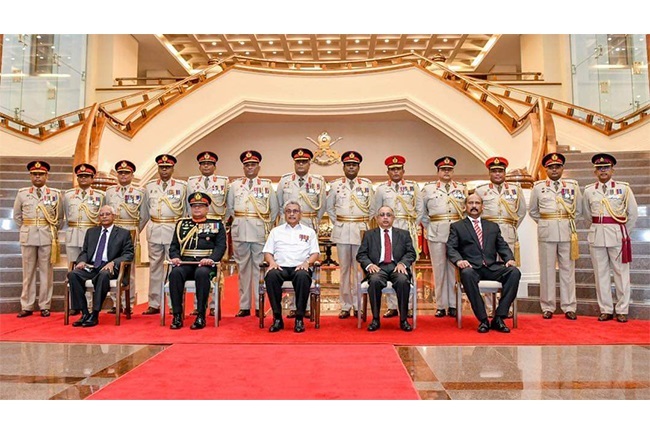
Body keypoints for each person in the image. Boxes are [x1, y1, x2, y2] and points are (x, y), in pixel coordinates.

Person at [446, 193, 521, 333]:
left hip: (491, 267)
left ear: (482, 206)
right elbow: (451, 248)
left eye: (477, 203)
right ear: (465, 207)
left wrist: (509, 259)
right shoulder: (457, 226)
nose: (474, 206)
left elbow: (502, 246)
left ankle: (499, 317)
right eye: (470, 203)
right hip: (471, 268)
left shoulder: (492, 226)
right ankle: (483, 320)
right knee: (467, 274)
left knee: (514, 272)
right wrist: (459, 261)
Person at [583, 153, 638, 323]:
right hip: (597, 235)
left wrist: (622, 231)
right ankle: (605, 309)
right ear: (595, 172)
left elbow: (632, 214)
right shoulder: (589, 191)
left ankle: (622, 309)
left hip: (617, 236)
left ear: (612, 170)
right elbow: (586, 216)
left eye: (606, 168)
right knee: (601, 274)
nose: (603, 171)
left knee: (621, 273)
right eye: (599, 169)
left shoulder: (624, 189)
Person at [529, 152, 582, 320]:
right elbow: (533, 211)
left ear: (562, 168)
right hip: (547, 232)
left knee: (568, 270)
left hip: (567, 232)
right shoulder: (538, 187)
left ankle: (569, 306)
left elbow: (578, 210)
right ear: (546, 169)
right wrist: (547, 223)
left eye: (557, 167)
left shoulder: (573, 186)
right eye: (550, 167)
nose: (554, 170)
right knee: (547, 270)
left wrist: (565, 223)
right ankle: (548, 306)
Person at [226, 150, 278, 318]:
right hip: (240, 231)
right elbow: (230, 208)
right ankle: (244, 305)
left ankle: (258, 304)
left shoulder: (266, 186)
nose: (250, 168)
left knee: (258, 269)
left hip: (258, 231)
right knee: (242, 270)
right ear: (243, 167)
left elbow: (274, 209)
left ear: (258, 167)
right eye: (247, 165)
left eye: (253, 165)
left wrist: (266, 227)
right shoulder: (234, 186)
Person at [369, 155, 422, 319]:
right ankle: (392, 306)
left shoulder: (413, 187)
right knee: (387, 264)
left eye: (398, 168)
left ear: (403, 170)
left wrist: (411, 227)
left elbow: (419, 210)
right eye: (392, 169)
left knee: (406, 267)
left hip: (406, 229)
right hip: (387, 230)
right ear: (388, 172)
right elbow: (375, 210)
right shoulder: (381, 189)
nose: (395, 171)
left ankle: (407, 305)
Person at [276, 148, 326, 319]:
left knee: (305, 264)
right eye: (298, 161)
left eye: (304, 161)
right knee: (289, 261)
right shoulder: (285, 181)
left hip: (309, 224)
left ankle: (303, 306)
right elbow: (278, 204)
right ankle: (293, 306)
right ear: (294, 163)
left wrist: (313, 223)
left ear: (309, 163)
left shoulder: (318, 181)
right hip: (288, 225)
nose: (301, 164)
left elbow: (322, 206)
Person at [474, 157, 526, 316]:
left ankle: (506, 307)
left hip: (508, 233)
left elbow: (521, 212)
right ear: (489, 173)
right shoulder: (481, 190)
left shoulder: (515, 190)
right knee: (488, 268)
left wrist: (510, 227)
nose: (497, 174)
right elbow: (475, 211)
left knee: (508, 269)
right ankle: (490, 307)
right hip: (488, 235)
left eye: (500, 171)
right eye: (494, 171)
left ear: (505, 173)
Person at [67, 205, 134, 327]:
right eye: (101, 215)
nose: (104, 217)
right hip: (92, 267)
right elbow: (85, 251)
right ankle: (85, 312)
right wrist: (81, 260)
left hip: (110, 268)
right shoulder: (91, 232)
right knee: (73, 274)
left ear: (113, 216)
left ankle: (95, 314)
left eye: (107, 214)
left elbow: (128, 254)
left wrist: (114, 262)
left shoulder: (123, 233)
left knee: (103, 275)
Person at [326, 151, 374, 319]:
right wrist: (339, 222)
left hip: (361, 231)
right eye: (348, 165)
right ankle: (346, 305)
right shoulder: (335, 186)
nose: (351, 167)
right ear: (344, 167)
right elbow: (329, 208)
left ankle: (359, 304)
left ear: (358, 167)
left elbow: (373, 209)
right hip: (342, 231)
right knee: (345, 269)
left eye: (354, 164)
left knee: (360, 269)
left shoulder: (367, 186)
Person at [168, 192, 226, 330]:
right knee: (175, 274)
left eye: (201, 206)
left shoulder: (216, 224)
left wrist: (211, 259)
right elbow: (174, 246)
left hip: (206, 264)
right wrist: (175, 257)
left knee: (202, 274)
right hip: (186, 262)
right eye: (194, 206)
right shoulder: (182, 224)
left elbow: (221, 246)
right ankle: (177, 315)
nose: (197, 209)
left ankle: (200, 315)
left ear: (207, 208)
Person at [13, 160, 63, 318]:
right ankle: (27, 305)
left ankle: (44, 305)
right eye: (34, 174)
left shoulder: (54, 194)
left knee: (46, 272)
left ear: (47, 175)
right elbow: (17, 216)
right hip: (28, 236)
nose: (37, 177)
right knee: (28, 273)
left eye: (41, 174)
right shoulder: (22, 194)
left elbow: (59, 218)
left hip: (46, 236)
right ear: (30, 176)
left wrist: (50, 230)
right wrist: (27, 228)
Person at [262, 201, 321, 333]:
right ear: (284, 214)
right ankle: (277, 318)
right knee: (271, 276)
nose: (292, 214)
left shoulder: (309, 232)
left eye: (295, 211)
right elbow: (267, 252)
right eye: (288, 211)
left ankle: (299, 318)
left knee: (302, 277)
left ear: (301, 214)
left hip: (300, 267)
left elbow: (315, 253)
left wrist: (307, 263)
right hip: (280, 267)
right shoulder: (276, 231)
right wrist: (271, 262)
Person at [356, 206, 416, 332]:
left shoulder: (403, 234)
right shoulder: (369, 235)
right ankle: (376, 319)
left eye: (388, 215)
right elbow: (361, 255)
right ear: (377, 218)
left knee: (402, 281)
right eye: (382, 215)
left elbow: (411, 253)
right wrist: (369, 265)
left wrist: (403, 264)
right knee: (375, 281)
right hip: (378, 268)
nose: (385, 217)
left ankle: (403, 320)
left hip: (397, 267)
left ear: (393, 218)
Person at [420, 156, 467, 318]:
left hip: (456, 234)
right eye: (443, 169)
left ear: (453, 171)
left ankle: (453, 304)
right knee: (439, 270)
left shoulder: (461, 188)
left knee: (454, 270)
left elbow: (465, 212)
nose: (446, 172)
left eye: (449, 169)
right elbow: (423, 213)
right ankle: (441, 305)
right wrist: (431, 227)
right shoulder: (428, 189)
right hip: (437, 232)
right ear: (438, 172)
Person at [186, 151, 229, 317]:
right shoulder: (191, 182)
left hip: (215, 226)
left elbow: (229, 206)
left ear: (214, 166)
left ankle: (213, 305)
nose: (206, 166)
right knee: (197, 263)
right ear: (199, 166)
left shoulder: (224, 182)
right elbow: (187, 206)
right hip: (196, 225)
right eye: (203, 164)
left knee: (215, 266)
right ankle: (199, 305)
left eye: (209, 164)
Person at [143, 154, 187, 315]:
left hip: (173, 229)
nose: (164, 170)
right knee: (155, 267)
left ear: (173, 168)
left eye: (167, 167)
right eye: (162, 167)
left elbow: (186, 212)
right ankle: (154, 303)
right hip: (154, 228)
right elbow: (145, 211)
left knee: (174, 266)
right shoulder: (150, 187)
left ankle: (172, 303)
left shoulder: (182, 186)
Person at [104, 160, 148, 315]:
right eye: (120, 173)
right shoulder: (109, 192)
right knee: (112, 266)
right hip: (113, 233)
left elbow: (144, 215)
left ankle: (128, 302)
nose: (123, 175)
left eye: (126, 173)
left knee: (130, 270)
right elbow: (104, 213)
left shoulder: (140, 192)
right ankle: (116, 303)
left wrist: (135, 230)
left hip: (130, 231)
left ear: (132, 175)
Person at [63, 163, 105, 314]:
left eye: (86, 176)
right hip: (73, 234)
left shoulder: (100, 196)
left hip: (91, 237)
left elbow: (103, 217)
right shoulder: (68, 195)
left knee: (89, 269)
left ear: (92, 178)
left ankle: (88, 303)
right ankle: (75, 305)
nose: (83, 179)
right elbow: (66, 217)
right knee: (73, 270)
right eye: (80, 176)